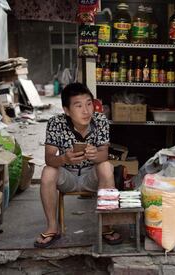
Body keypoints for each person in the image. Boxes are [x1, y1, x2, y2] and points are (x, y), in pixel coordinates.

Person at [34, 82, 122, 248]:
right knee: (47, 171)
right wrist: (64, 159)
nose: (86, 111)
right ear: (67, 110)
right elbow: (49, 158)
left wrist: (95, 155)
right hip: (67, 177)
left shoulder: (100, 121)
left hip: (91, 177)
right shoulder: (56, 123)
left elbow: (104, 153)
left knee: (106, 166)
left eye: (89, 104)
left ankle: (106, 226)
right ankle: (53, 227)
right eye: (78, 105)